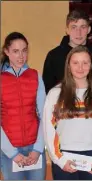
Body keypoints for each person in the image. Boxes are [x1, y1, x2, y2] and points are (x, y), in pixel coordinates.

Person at [43, 46, 92, 180]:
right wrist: (60, 160)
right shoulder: (55, 94)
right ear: (68, 66)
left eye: (85, 63)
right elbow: (48, 130)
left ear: (91, 65)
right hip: (64, 157)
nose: (80, 67)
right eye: (75, 63)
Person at [0, 32, 46, 180]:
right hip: (10, 151)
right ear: (6, 52)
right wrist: (11, 152)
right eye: (15, 51)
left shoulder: (35, 76)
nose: (21, 56)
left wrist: (38, 148)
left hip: (35, 148)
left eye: (24, 50)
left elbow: (44, 114)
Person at [42, 9, 92, 93]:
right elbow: (47, 89)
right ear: (67, 30)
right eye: (74, 27)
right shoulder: (53, 56)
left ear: (89, 29)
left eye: (83, 27)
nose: (78, 33)